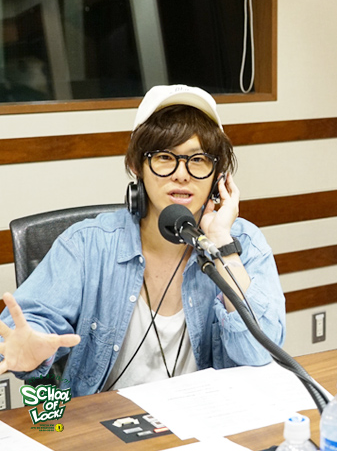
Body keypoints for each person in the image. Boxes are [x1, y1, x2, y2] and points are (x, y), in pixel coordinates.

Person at [0, 84, 286, 396]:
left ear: (218, 175)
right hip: (110, 420)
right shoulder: (87, 245)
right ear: (137, 166)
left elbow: (262, 355)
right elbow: (28, 325)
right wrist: (28, 346)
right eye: (164, 157)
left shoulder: (243, 243)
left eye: (198, 159)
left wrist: (222, 247)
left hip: (207, 415)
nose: (182, 174)